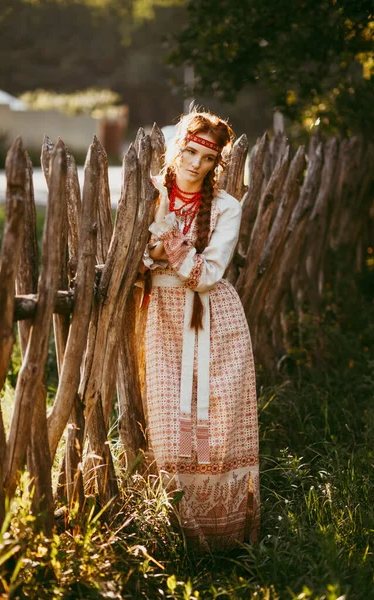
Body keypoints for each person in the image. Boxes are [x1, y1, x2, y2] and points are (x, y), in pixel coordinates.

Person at [142, 110, 259, 552]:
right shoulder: (148, 195)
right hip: (162, 319)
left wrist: (166, 244)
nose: (195, 163)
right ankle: (173, 537)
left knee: (217, 430)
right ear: (175, 149)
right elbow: (133, 262)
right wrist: (159, 250)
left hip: (215, 322)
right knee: (171, 431)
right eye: (188, 152)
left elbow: (207, 275)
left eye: (206, 158)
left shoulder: (227, 207)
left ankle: (223, 541)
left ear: (217, 164)